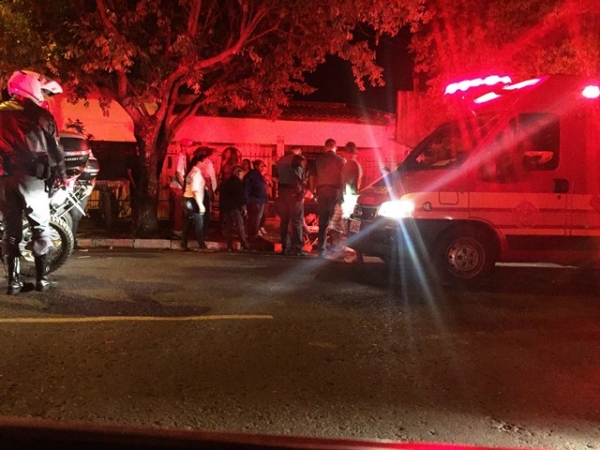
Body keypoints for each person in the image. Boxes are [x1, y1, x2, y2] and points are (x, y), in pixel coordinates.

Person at [0, 70, 67, 294]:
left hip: (4, 180)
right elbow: (56, 151)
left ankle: (13, 283)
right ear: (31, 86)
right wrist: (62, 176)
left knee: (10, 232)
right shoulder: (41, 116)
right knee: (40, 229)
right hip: (32, 180)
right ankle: (42, 280)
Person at [310, 138, 346, 259]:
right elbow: (344, 178)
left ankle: (321, 251)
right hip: (335, 191)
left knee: (322, 223)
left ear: (325, 147)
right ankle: (336, 250)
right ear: (335, 147)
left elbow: (312, 177)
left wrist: (314, 191)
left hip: (322, 191)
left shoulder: (318, 159)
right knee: (335, 221)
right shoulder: (341, 160)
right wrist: (343, 194)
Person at [276, 147, 305, 256]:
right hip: (294, 194)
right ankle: (297, 248)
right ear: (299, 151)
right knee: (297, 221)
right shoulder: (298, 159)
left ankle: (285, 247)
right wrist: (302, 192)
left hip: (283, 193)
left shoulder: (281, 160)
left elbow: (276, 178)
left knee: (284, 221)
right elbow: (301, 178)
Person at [341, 142, 364, 263]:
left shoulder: (350, 164)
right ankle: (356, 252)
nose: (348, 154)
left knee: (349, 223)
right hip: (352, 195)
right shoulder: (356, 164)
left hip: (350, 196)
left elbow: (349, 182)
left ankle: (355, 252)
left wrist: (347, 195)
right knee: (352, 223)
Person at [181, 148, 208, 252]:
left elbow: (187, 184)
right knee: (199, 223)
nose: (205, 164)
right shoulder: (196, 173)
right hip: (193, 200)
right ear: (199, 163)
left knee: (188, 222)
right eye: (204, 162)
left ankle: (183, 244)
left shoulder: (191, 172)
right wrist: (200, 205)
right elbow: (195, 190)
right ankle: (202, 246)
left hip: (187, 199)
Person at [219, 166, 251, 252]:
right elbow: (240, 196)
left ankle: (229, 246)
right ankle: (245, 244)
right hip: (234, 207)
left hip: (226, 207)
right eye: (242, 173)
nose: (243, 175)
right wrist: (244, 208)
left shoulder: (227, 181)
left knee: (229, 227)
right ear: (239, 173)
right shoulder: (237, 183)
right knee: (239, 225)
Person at [169, 139, 194, 239]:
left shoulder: (183, 157)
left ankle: (178, 229)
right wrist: (184, 186)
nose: (190, 149)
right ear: (183, 147)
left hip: (178, 186)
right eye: (189, 147)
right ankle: (177, 230)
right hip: (177, 187)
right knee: (179, 209)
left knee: (179, 209)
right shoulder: (180, 157)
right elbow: (178, 173)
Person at [243, 159, 270, 242]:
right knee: (254, 219)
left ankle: (254, 234)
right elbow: (246, 188)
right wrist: (247, 201)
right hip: (254, 200)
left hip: (261, 199)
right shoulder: (251, 175)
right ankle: (252, 236)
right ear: (256, 166)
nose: (262, 168)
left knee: (258, 218)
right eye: (261, 166)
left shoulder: (259, 175)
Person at [199, 146, 217, 239]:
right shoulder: (208, 164)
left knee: (205, 212)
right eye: (216, 156)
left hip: (204, 190)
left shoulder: (207, 163)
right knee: (206, 213)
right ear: (212, 155)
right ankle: (203, 233)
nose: (217, 158)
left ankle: (203, 232)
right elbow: (208, 179)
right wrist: (211, 192)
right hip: (206, 191)